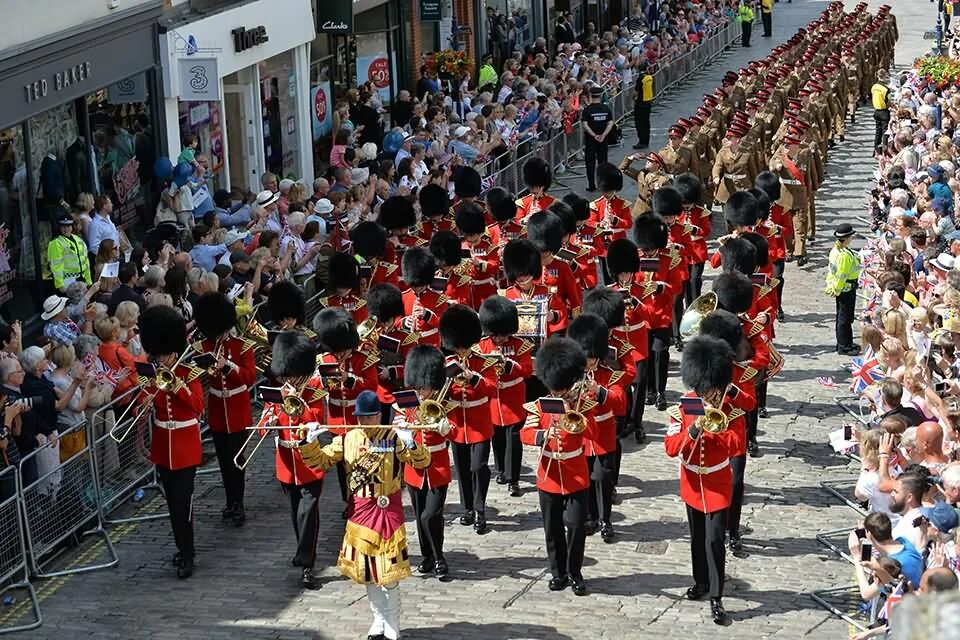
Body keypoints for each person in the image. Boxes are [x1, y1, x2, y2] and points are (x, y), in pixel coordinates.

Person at [298, 389, 431, 640]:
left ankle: (393, 621)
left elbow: (421, 462)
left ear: (378, 415)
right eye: (360, 418)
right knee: (368, 571)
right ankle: (378, 620)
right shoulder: (348, 438)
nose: (364, 423)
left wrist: (411, 441)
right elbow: (319, 461)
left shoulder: (393, 437)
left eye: (369, 417)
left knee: (388, 572)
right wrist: (310, 440)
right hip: (360, 510)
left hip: (387, 508)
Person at [665, 336, 738, 625]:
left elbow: (736, 444)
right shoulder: (682, 409)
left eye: (713, 390)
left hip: (718, 484)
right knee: (697, 539)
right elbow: (671, 449)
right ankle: (702, 582)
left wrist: (717, 426)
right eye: (706, 390)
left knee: (715, 540)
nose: (710, 395)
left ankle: (717, 597)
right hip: (692, 483)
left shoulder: (730, 411)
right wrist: (694, 429)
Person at [520, 336, 595, 596]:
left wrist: (576, 410)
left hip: (575, 475)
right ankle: (558, 573)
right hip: (549, 474)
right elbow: (525, 433)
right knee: (552, 530)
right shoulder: (540, 405)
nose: (557, 392)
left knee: (575, 527)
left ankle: (575, 572)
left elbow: (594, 432)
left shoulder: (582, 404)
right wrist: (542, 436)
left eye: (561, 388)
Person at [138, 305, 204, 579]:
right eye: (159, 355)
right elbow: (144, 406)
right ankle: (181, 548)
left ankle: (188, 555)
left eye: (165, 355)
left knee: (182, 505)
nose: (162, 359)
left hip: (185, 447)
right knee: (172, 506)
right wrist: (149, 390)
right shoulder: (152, 373)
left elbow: (197, 406)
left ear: (174, 351)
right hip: (163, 447)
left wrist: (175, 384)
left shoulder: (189, 372)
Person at [260, 331, 327, 589]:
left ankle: (307, 563)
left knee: (309, 512)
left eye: (292, 374)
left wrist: (299, 403)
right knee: (296, 512)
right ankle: (303, 550)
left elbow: (317, 419)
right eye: (285, 374)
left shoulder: (315, 389)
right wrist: (270, 418)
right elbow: (266, 420)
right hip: (286, 462)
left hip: (309, 460)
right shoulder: (277, 393)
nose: (288, 379)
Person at [194, 293, 256, 527]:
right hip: (218, 409)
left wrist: (228, 367)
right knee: (223, 461)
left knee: (237, 461)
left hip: (238, 408)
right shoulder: (204, 346)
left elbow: (249, 377)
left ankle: (238, 503)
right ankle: (230, 501)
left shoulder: (242, 346)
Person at [439, 305, 495, 534]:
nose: (461, 349)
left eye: (463, 345)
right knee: (462, 469)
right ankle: (468, 508)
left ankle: (480, 509)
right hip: (457, 423)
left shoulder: (483, 361)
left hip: (479, 422)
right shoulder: (447, 363)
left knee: (478, 466)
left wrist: (472, 378)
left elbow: (491, 388)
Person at [477, 296, 533, 498]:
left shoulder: (520, 345)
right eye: (495, 334)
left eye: (502, 334)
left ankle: (514, 479)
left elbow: (527, 370)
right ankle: (501, 470)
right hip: (493, 399)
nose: (499, 338)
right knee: (497, 438)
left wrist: (511, 366)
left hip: (513, 398)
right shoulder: (483, 346)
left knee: (514, 440)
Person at [825, 223, 862, 356]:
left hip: (841, 288)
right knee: (845, 319)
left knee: (842, 317)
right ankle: (844, 346)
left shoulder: (836, 250)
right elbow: (842, 275)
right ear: (847, 238)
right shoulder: (844, 255)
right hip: (846, 289)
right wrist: (837, 289)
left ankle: (845, 342)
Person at [48, 211, 92, 291]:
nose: (66, 229)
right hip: (67, 281)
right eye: (63, 226)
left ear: (72, 227)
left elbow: (86, 262)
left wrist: (88, 281)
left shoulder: (79, 240)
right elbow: (56, 266)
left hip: (81, 279)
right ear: (59, 227)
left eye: (68, 226)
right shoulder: (56, 243)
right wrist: (60, 284)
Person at [581, 86, 614, 193]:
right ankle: (603, 183)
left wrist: (594, 135)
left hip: (591, 140)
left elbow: (585, 124)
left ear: (591, 95)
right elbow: (610, 122)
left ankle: (591, 185)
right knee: (603, 162)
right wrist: (603, 135)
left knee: (590, 162)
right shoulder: (605, 109)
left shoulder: (587, 110)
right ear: (600, 95)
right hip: (603, 140)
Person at [633, 66, 654, 150]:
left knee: (640, 123)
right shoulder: (649, 77)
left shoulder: (640, 78)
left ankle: (641, 141)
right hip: (648, 102)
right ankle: (646, 141)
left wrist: (633, 98)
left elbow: (636, 92)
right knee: (646, 123)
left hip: (640, 103)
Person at [872, 69, 891, 152]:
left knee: (878, 132)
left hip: (876, 111)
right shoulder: (886, 89)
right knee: (885, 132)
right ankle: (884, 150)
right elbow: (888, 102)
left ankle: (876, 150)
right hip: (884, 111)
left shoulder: (874, 87)